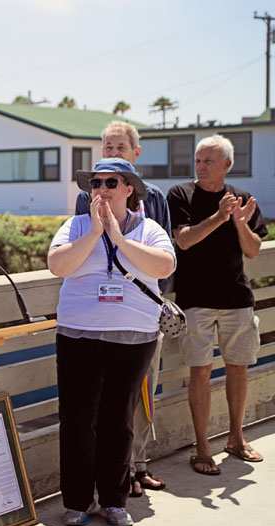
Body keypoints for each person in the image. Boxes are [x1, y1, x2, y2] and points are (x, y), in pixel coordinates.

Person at [48, 158, 175, 526]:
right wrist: (93, 233)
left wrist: (118, 238)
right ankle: (77, 501)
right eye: (95, 183)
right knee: (77, 420)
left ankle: (114, 500)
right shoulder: (75, 226)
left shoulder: (149, 229)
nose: (100, 189)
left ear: (129, 188)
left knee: (118, 421)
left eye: (110, 182)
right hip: (77, 335)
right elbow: (58, 265)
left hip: (134, 338)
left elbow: (163, 267)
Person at [74, 120, 171, 496]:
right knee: (103, 397)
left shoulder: (156, 198)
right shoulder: (89, 197)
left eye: (119, 148)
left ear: (135, 153)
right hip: (100, 312)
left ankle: (138, 464)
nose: (112, 154)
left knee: (142, 389)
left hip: (144, 308)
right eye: (107, 148)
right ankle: (111, 473)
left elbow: (164, 255)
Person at [167, 134, 267, 475]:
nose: (201, 165)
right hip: (195, 301)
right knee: (201, 371)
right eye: (198, 159)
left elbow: (253, 250)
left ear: (227, 165)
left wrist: (239, 222)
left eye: (209, 160)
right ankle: (202, 447)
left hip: (237, 298)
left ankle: (236, 439)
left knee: (239, 368)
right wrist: (219, 218)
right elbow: (184, 241)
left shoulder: (242, 199)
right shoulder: (180, 194)